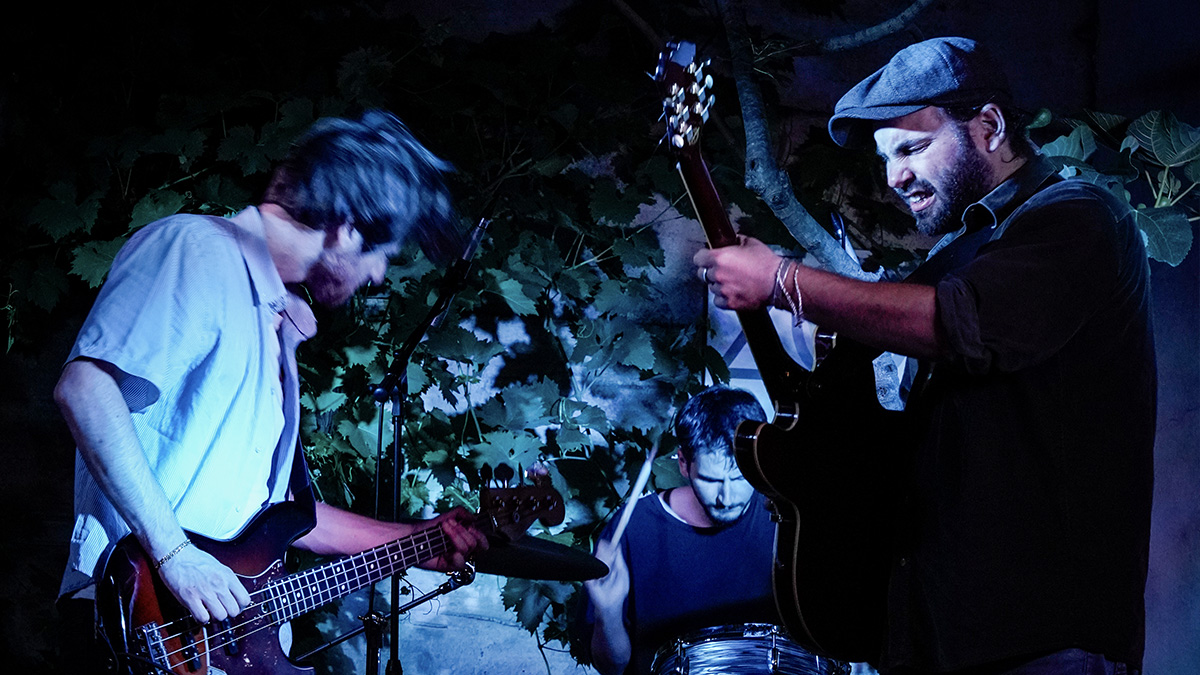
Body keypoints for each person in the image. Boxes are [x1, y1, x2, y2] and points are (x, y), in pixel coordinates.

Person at [694, 37, 1155, 675]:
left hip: (1042, 644)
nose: (894, 178)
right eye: (886, 157)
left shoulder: (1080, 219)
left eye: (912, 148)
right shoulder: (959, 254)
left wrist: (781, 282)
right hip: (938, 636)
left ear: (988, 127)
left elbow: (959, 323)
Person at [54, 110, 487, 669]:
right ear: (347, 228)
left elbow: (275, 516)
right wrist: (176, 553)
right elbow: (86, 388)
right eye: (383, 254)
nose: (379, 275)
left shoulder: (270, 318)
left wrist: (411, 540)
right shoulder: (196, 249)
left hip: (215, 645)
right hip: (142, 629)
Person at [580, 385, 778, 675]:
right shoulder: (633, 529)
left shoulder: (781, 515)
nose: (727, 497)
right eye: (711, 480)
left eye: (739, 478)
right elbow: (612, 667)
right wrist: (608, 613)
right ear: (683, 463)